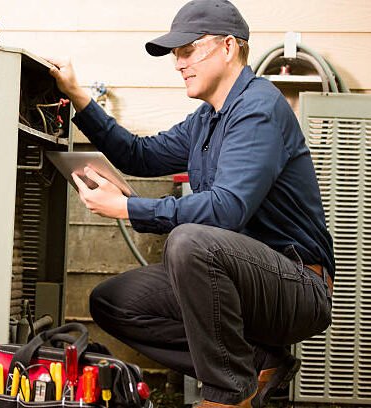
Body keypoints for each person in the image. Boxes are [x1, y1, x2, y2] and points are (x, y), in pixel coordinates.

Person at [48, 0, 334, 407]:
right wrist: (78, 97)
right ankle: (255, 364)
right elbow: (138, 155)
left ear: (229, 47)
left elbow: (226, 209)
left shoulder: (259, 109)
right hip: (236, 276)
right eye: (175, 54)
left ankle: (226, 394)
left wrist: (129, 209)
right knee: (114, 302)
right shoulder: (207, 118)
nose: (178, 63)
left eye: (187, 50)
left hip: (297, 284)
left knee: (189, 242)